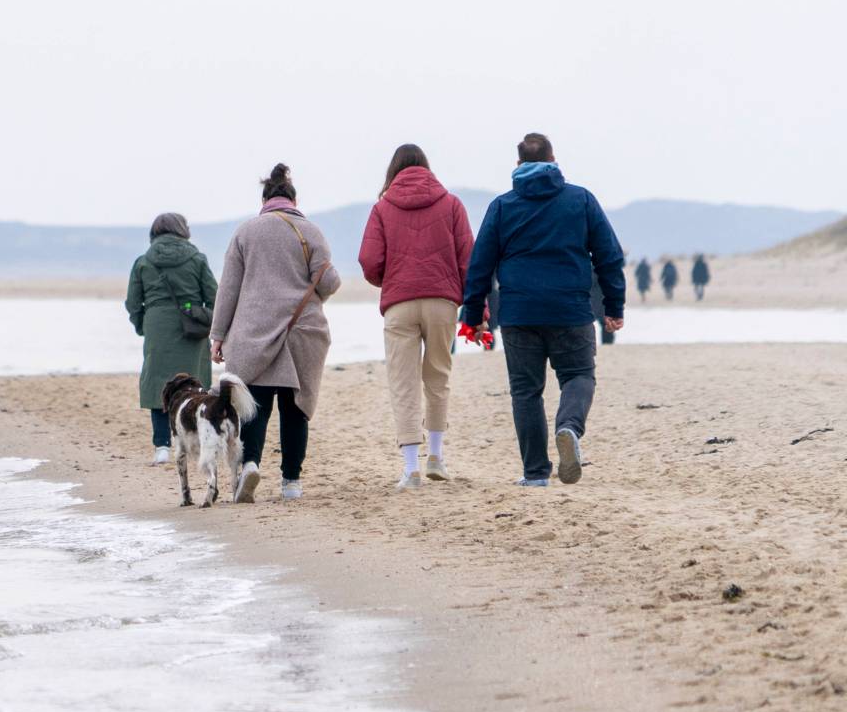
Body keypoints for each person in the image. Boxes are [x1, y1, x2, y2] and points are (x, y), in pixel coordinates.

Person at [462, 133, 625, 487]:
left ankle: (536, 474)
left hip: (519, 313)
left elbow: (480, 265)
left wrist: (473, 314)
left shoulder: (503, 206)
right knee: (579, 376)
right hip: (571, 309)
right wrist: (613, 306)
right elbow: (609, 256)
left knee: (525, 392)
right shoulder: (580, 200)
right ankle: (569, 427)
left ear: (518, 165)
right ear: (554, 161)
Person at [210, 163, 341, 503]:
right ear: (293, 199)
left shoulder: (245, 232)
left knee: (255, 406)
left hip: (255, 332)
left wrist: (219, 335)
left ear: (265, 199)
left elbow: (229, 289)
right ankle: (291, 482)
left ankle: (251, 463)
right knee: (296, 408)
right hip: (302, 331)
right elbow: (328, 281)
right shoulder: (311, 232)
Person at [358, 143, 474, 489]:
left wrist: (389, 278)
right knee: (438, 376)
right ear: (427, 168)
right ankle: (436, 456)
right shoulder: (452, 203)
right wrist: (477, 306)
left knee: (403, 382)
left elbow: (368, 260)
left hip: (400, 304)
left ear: (393, 171)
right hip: (442, 302)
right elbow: (469, 259)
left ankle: (411, 468)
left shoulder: (382, 208)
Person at [125, 213, 218, 465]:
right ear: (183, 231)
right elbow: (215, 297)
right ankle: (194, 441)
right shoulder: (197, 259)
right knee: (195, 385)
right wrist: (206, 318)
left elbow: (133, 303)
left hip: (157, 327)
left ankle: (162, 447)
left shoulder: (143, 262)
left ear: (154, 233)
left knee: (158, 386)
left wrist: (143, 327)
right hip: (191, 329)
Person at [590, 273, 616, 345]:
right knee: (606, 324)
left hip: (597, 301)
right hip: (602, 301)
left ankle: (606, 343)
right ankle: (607, 343)